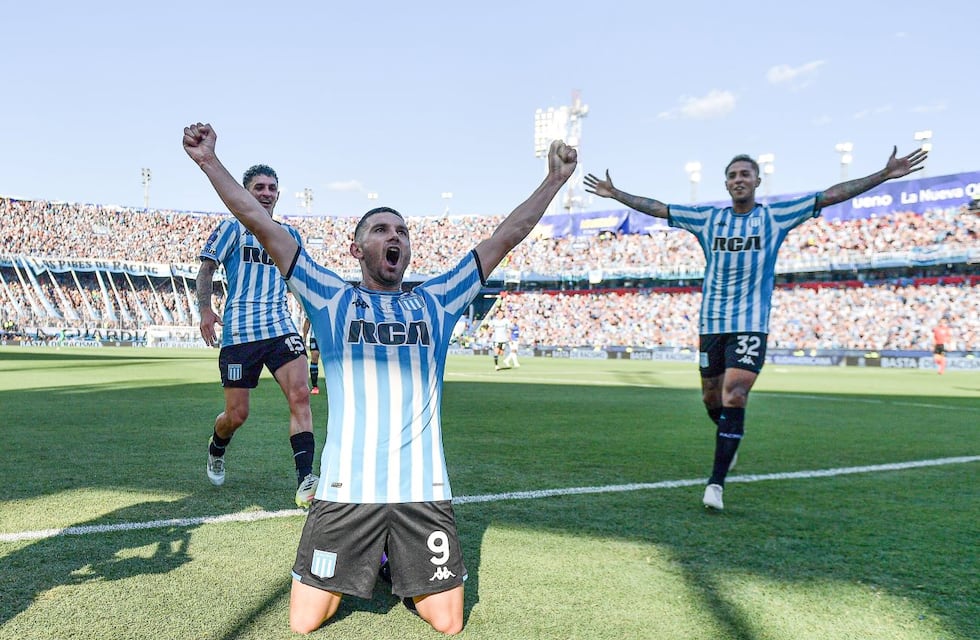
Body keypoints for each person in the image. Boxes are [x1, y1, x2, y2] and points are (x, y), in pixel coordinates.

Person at [183, 121, 577, 635]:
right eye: (381, 230)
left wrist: (554, 180)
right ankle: (380, 553)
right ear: (357, 250)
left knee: (448, 622)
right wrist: (209, 161)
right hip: (347, 490)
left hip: (422, 490)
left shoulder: (438, 300)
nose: (394, 237)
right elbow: (257, 221)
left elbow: (505, 236)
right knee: (304, 621)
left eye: (402, 232)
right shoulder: (331, 297)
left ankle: (391, 557)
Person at [584, 146, 927, 511]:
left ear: (757, 181)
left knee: (735, 394)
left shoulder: (775, 217)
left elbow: (830, 196)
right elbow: (659, 208)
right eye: (733, 175)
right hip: (712, 322)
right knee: (711, 399)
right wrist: (616, 193)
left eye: (745, 174)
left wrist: (882, 175)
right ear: (726, 184)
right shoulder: (707, 219)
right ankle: (728, 437)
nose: (739, 180)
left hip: (751, 324)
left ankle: (716, 484)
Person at [196, 163, 319, 509]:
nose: (266, 193)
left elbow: (300, 282)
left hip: (280, 327)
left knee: (300, 395)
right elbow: (206, 268)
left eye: (271, 188)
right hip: (240, 332)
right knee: (236, 415)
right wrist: (205, 310)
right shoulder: (232, 228)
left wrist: (315, 317)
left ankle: (306, 480)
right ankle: (217, 447)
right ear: (246, 193)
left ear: (278, 194)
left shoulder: (290, 236)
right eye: (259, 188)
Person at [301, 316, 321, 393]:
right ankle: (315, 386)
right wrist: (304, 337)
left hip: (329, 337)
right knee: (314, 356)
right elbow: (307, 321)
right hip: (315, 336)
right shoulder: (313, 308)